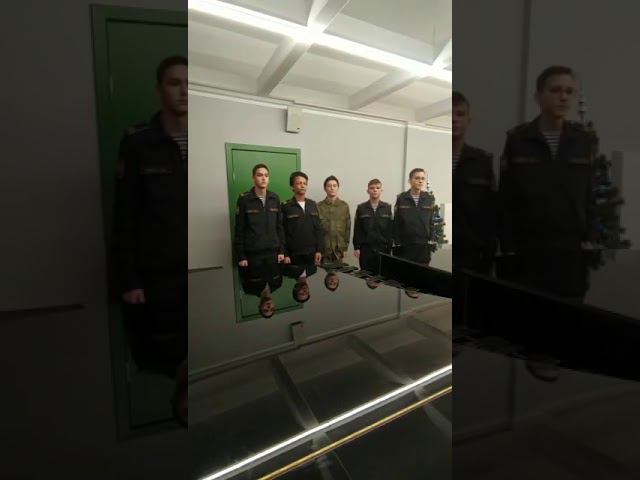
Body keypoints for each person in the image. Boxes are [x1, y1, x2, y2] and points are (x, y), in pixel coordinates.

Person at [114, 55, 188, 376]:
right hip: (157, 278)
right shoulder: (139, 143)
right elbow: (124, 215)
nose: (183, 91)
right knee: (163, 362)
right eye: (174, 83)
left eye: (189, 84)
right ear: (159, 90)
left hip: (194, 275)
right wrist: (129, 279)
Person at [498, 65, 596, 298]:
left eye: (569, 91)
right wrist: (507, 246)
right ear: (538, 96)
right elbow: (506, 197)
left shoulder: (583, 141)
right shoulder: (518, 140)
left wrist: (591, 239)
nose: (563, 97)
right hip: (528, 251)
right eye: (555, 90)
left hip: (571, 251)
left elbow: (589, 195)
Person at [452, 91, 497, 273]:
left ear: (468, 120)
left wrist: (488, 255)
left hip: (471, 256)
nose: (454, 119)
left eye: (460, 114)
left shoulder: (482, 162)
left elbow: (491, 213)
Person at [234, 163, 285, 293]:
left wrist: (281, 251)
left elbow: (279, 227)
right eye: (260, 175)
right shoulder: (244, 199)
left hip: (273, 254)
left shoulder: (275, 198)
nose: (263, 178)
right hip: (253, 255)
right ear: (253, 178)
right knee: (254, 286)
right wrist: (241, 256)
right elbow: (239, 230)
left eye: (266, 175)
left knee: (274, 284)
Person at [392, 168, 437, 265]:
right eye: (417, 178)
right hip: (405, 245)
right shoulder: (401, 198)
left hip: (423, 245)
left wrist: (432, 239)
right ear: (410, 181)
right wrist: (397, 242)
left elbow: (431, 221)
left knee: (422, 272)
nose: (420, 181)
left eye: (422, 178)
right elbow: (396, 222)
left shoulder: (429, 198)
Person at [281, 171, 324, 266]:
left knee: (312, 275)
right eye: (299, 183)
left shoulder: (313, 204)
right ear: (292, 186)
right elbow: (282, 232)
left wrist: (319, 250)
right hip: (294, 254)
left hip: (312, 253)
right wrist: (285, 254)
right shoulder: (286, 206)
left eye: (305, 183)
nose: (302, 186)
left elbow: (319, 229)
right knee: (296, 275)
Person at [353, 178, 393, 274]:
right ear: (368, 191)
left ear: (381, 190)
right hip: (366, 249)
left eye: (377, 188)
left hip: (383, 249)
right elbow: (357, 229)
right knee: (366, 275)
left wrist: (390, 248)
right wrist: (356, 247)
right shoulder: (361, 208)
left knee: (382, 275)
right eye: (372, 188)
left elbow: (390, 230)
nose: (375, 190)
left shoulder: (387, 208)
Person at [317, 175, 351, 264]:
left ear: (338, 188)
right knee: (322, 272)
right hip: (324, 250)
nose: (332, 188)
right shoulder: (319, 207)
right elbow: (316, 230)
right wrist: (317, 250)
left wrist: (345, 248)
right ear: (325, 188)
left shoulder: (344, 206)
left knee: (338, 271)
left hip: (338, 250)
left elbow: (347, 229)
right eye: (329, 186)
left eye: (334, 186)